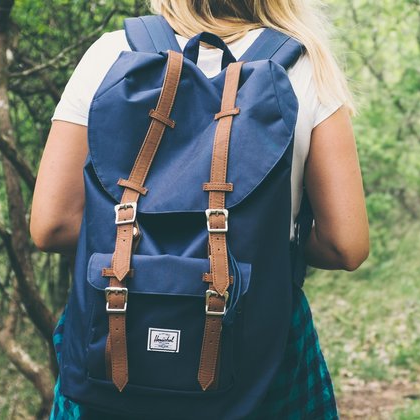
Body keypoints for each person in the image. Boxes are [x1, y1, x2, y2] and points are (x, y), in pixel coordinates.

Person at [29, 1, 369, 418]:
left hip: (116, 338)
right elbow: (344, 244)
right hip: (255, 348)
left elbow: (52, 225)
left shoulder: (110, 55)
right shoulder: (305, 68)